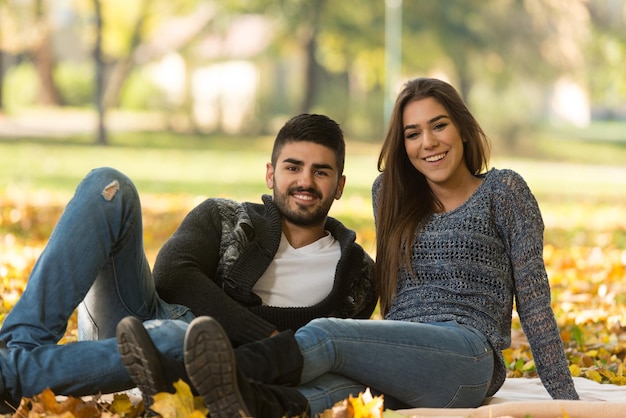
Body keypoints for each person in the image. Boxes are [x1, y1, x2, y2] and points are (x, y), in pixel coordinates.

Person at [127, 77, 578, 417]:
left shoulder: (504, 191)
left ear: (461, 129)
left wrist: (567, 403)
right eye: (413, 133)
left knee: (328, 333)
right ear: (402, 144)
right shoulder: (391, 194)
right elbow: (397, 303)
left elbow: (535, 305)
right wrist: (379, 356)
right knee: (332, 390)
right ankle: (235, 404)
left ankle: (178, 381)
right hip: (403, 357)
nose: (428, 143)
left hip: (467, 358)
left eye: (439, 126)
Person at [0, 113, 376, 413]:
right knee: (108, 186)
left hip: (206, 371)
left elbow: (326, 357)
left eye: (320, 172)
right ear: (270, 174)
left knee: (174, 338)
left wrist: (232, 353)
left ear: (339, 186)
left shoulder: (357, 276)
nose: (305, 181)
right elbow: (172, 275)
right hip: (130, 321)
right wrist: (266, 338)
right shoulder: (224, 216)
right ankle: (16, 351)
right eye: (293, 167)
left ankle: (10, 374)